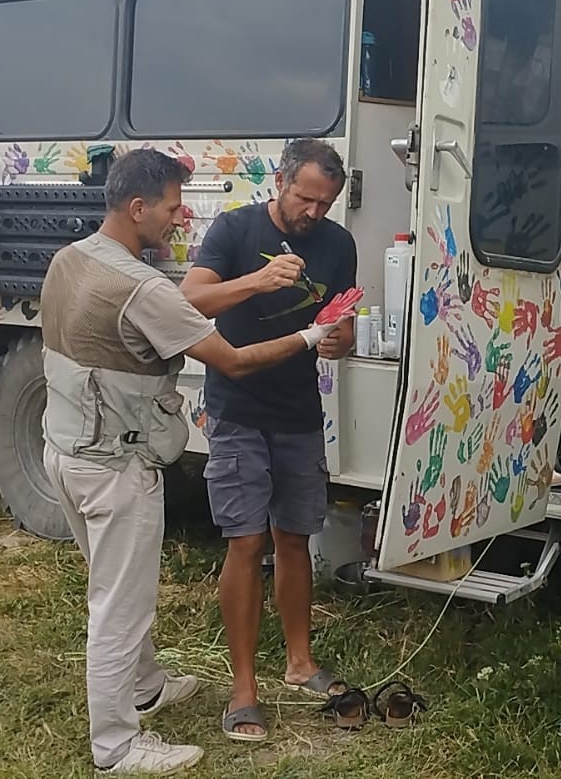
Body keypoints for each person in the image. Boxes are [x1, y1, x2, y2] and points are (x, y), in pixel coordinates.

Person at [40, 148, 350, 775]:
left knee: (121, 587)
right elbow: (228, 357)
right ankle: (117, 746)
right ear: (137, 208)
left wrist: (333, 336)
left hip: (69, 449)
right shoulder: (147, 284)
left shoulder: (71, 258)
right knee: (119, 607)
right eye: (175, 209)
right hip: (115, 463)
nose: (181, 220)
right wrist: (302, 327)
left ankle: (148, 686)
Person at [180, 138, 357, 742]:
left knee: (295, 538)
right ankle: (243, 689)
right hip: (237, 409)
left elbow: (342, 321)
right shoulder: (234, 229)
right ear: (281, 180)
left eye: (325, 203)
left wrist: (340, 340)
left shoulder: (338, 244)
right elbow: (189, 298)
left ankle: (300, 663)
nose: (314, 213)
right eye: (306, 198)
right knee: (246, 541)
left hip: (300, 412)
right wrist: (256, 282)